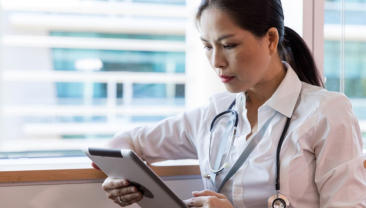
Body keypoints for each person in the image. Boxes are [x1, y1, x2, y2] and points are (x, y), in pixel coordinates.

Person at [99, 0, 366, 207]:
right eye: (207, 46)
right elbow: (118, 145)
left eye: (228, 45)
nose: (216, 61)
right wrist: (122, 179)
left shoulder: (326, 112)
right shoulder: (214, 114)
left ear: (271, 39)